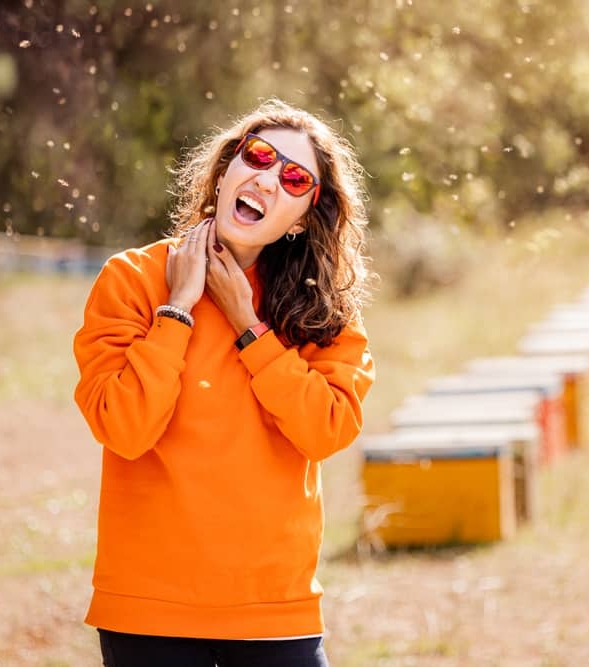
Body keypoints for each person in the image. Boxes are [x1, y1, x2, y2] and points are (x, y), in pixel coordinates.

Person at [72, 99, 375, 667]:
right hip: (148, 610)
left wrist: (251, 329)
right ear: (225, 169)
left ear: (307, 214)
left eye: (292, 177)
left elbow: (326, 431)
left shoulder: (322, 311)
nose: (266, 178)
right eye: (257, 156)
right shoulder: (132, 280)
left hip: (274, 608)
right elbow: (124, 428)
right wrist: (178, 310)